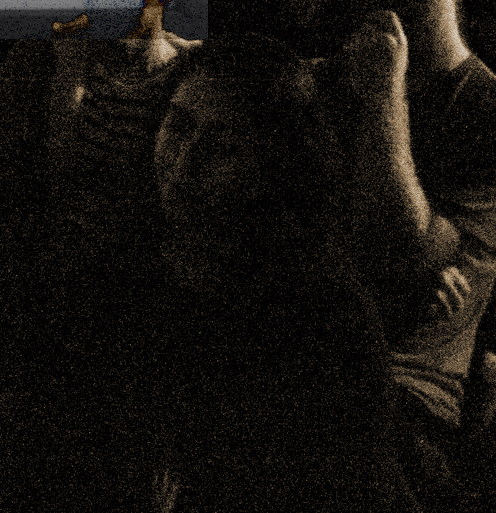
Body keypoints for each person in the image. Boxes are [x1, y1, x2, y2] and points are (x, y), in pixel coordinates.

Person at [326, 0, 496, 503]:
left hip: (407, 393)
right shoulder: (330, 83)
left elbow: (416, 275)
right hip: (313, 351)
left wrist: (386, 99)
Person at [153, 36, 413, 513]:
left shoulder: (321, 316)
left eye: (223, 147)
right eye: (179, 124)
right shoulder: (129, 266)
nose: (185, 162)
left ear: (275, 164)